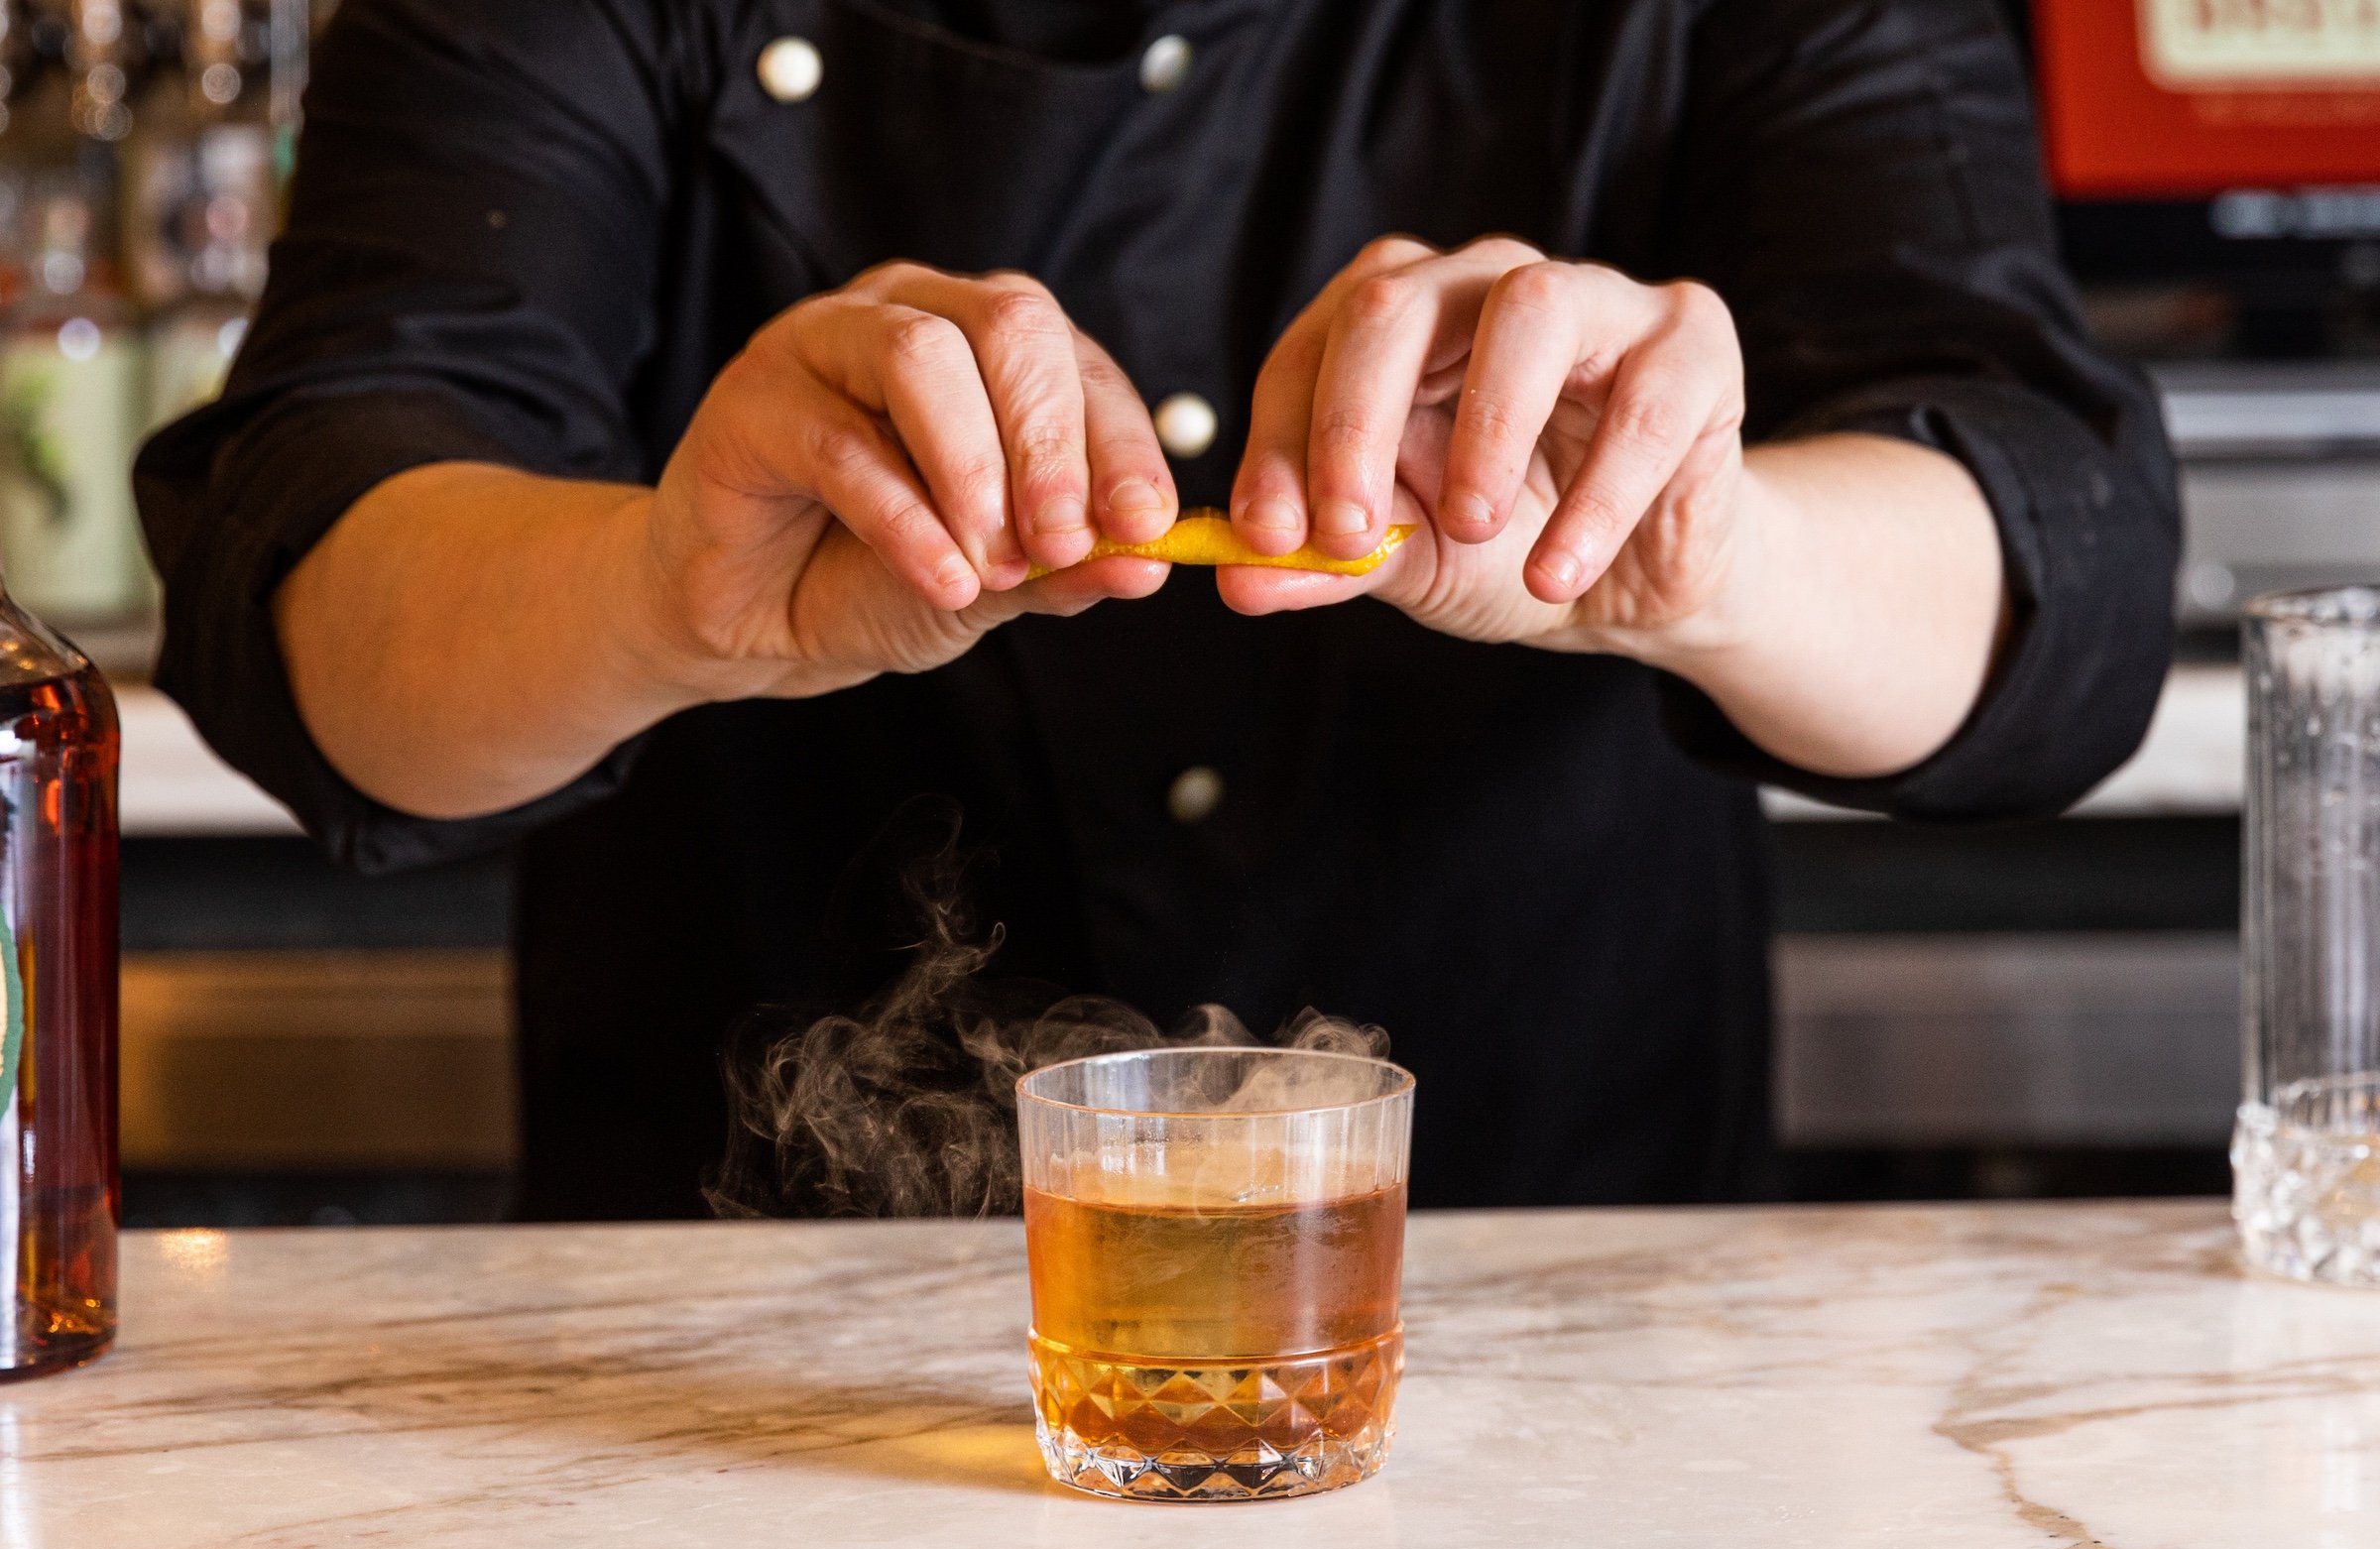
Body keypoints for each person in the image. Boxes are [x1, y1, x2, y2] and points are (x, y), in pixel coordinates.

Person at [136, 0, 2179, 1219]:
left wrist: (1705, 550)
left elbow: (2055, 562)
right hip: (749, 1351)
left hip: (1559, 1327)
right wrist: (661, 589)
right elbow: (309, 598)